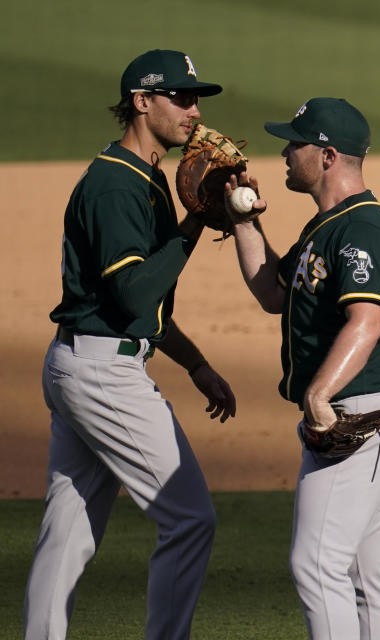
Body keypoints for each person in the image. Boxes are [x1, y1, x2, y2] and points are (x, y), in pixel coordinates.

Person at [24, 49, 236, 640]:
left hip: (84, 362)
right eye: (181, 97)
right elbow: (134, 293)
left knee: (66, 536)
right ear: (141, 103)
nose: (193, 110)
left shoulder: (147, 179)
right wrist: (195, 225)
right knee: (191, 519)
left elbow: (146, 301)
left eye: (196, 98)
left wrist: (195, 364)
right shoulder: (115, 187)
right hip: (101, 376)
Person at [224, 97, 380, 640]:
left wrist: (318, 396)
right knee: (365, 573)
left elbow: (367, 321)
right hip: (367, 412)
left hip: (356, 415)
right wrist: (242, 221)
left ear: (327, 155)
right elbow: (271, 292)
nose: (286, 151)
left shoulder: (360, 229)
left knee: (316, 564)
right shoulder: (327, 226)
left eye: (295, 143)